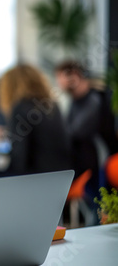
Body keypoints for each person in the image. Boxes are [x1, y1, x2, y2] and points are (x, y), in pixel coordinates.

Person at [55, 61, 118, 196]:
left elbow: (75, 132)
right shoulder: (75, 100)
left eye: (61, 77)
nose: (59, 82)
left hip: (98, 162)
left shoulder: (94, 99)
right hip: (82, 160)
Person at [0, 64, 71, 175]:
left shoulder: (20, 107)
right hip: (60, 178)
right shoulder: (52, 105)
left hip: (35, 180)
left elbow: (19, 160)